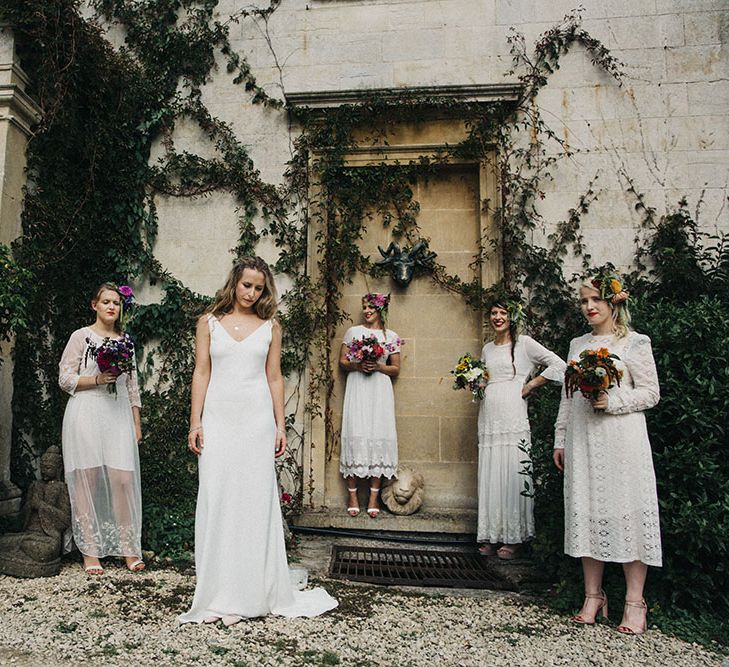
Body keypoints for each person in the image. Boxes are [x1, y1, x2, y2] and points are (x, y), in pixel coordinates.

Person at [179, 256, 337, 625]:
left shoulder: (270, 327)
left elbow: (275, 378)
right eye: (246, 284)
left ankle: (250, 592)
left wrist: (280, 426)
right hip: (218, 419)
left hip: (255, 422)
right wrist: (195, 422)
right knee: (217, 497)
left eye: (258, 288)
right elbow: (201, 372)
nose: (251, 293)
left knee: (252, 502)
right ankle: (218, 591)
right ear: (235, 282)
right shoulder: (208, 323)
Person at [553, 273, 661, 635]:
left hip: (623, 439)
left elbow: (650, 393)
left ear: (614, 301)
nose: (588, 307)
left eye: (595, 300)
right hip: (584, 438)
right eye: (583, 301)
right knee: (588, 508)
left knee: (627, 510)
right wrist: (560, 438)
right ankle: (593, 596)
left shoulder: (634, 342)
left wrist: (611, 400)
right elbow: (568, 397)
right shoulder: (577, 344)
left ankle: (634, 602)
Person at [59, 283, 144, 574]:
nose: (112, 307)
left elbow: (132, 386)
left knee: (122, 479)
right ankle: (90, 550)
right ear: (94, 304)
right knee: (89, 479)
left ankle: (128, 547)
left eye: (117, 303)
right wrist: (96, 380)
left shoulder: (126, 341)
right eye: (106, 301)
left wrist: (136, 422)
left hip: (117, 413)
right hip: (86, 410)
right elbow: (65, 379)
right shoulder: (80, 337)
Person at [477, 298, 565, 559]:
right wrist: (477, 384)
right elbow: (486, 378)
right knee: (493, 471)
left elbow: (558, 365)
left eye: (502, 312)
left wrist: (532, 383)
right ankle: (491, 534)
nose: (497, 317)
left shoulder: (524, 343)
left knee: (512, 471)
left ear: (511, 316)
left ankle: (514, 538)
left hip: (513, 412)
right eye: (493, 312)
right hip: (489, 415)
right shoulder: (487, 349)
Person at [339, 293, 401, 518]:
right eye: (364, 307)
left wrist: (377, 367)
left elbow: (395, 368)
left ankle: (373, 498)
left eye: (371, 307)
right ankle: (353, 495)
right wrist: (358, 367)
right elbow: (343, 362)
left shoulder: (391, 336)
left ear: (381, 309)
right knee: (357, 432)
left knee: (378, 434)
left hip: (380, 389)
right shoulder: (353, 332)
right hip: (358, 387)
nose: (367, 311)